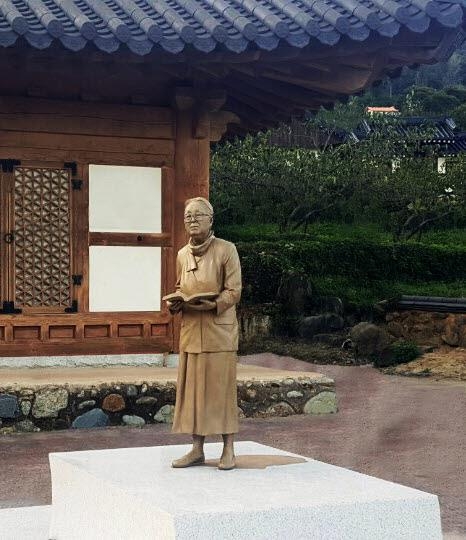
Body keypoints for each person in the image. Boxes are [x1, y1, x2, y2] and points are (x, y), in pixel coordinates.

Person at [168, 197, 242, 470]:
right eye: (188, 216)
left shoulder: (226, 249)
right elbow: (180, 285)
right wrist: (176, 302)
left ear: (211, 219)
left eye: (198, 215)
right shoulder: (181, 254)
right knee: (193, 393)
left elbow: (234, 290)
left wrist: (214, 304)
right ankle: (197, 449)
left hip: (219, 332)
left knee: (221, 391)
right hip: (191, 331)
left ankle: (228, 448)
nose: (192, 220)